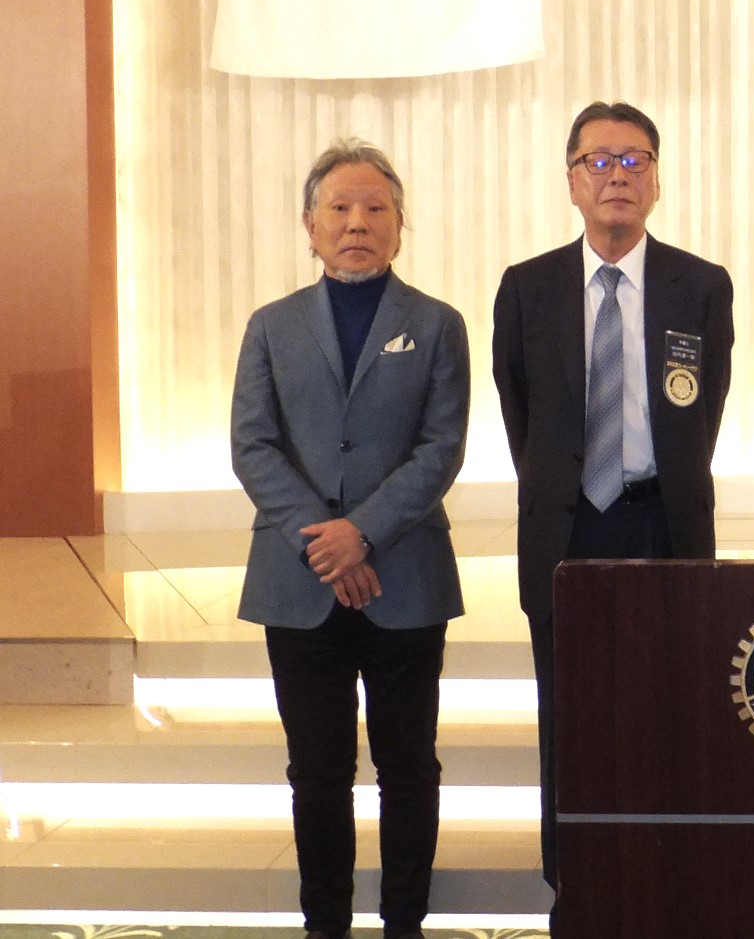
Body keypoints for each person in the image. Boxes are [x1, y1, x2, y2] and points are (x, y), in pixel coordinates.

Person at [491, 101, 734, 926]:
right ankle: (574, 887)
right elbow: (522, 417)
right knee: (570, 720)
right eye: (598, 160)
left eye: (635, 160)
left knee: (675, 713)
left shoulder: (700, 285)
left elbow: (703, 412)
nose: (617, 175)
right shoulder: (526, 287)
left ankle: (674, 879)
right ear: (571, 181)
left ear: (657, 181)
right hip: (567, 528)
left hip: (663, 522)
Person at [231, 139, 470, 939]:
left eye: (375, 208)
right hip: (297, 583)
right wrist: (324, 545)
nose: (357, 222)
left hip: (405, 576)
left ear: (400, 225)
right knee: (317, 771)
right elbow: (252, 444)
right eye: (339, 207)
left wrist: (361, 533)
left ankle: (404, 922)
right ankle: (324, 924)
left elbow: (441, 447)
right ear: (311, 225)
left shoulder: (437, 324)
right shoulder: (271, 326)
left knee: (409, 767)